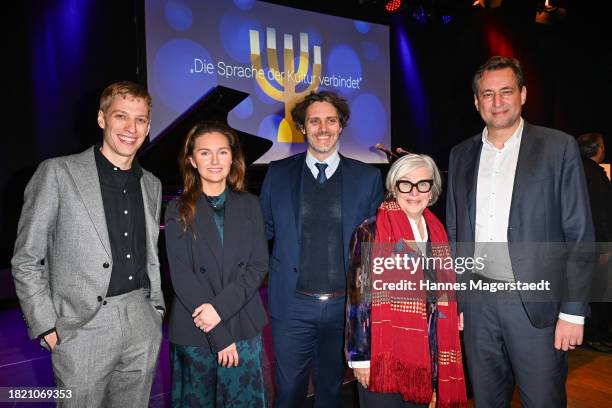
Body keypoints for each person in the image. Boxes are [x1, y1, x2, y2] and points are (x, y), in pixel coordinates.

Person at [446, 56, 594, 407]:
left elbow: (578, 232)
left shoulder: (558, 147)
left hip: (536, 304)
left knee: (543, 400)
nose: (497, 102)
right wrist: (459, 299)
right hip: (478, 304)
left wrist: (573, 311)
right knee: (486, 400)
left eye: (506, 91)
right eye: (488, 94)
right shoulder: (460, 154)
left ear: (523, 94)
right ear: (476, 101)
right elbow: (456, 233)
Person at [11, 81, 164, 407]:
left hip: (141, 320)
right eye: (121, 116)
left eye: (140, 120)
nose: (130, 128)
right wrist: (45, 326)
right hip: (82, 327)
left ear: (148, 126)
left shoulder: (151, 184)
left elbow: (151, 255)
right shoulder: (57, 173)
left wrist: (156, 311)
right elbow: (26, 258)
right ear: (101, 118)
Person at [260, 91, 384, 407]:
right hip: (292, 307)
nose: (323, 128)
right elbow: (262, 234)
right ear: (303, 126)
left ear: (341, 126)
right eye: (314, 120)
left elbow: (375, 248)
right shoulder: (277, 174)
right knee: (288, 393)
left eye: (331, 120)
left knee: (330, 391)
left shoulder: (367, 178)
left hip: (343, 309)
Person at [346, 154, 467, 408]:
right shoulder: (370, 231)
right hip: (382, 356)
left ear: (432, 190)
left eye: (423, 184)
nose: (414, 192)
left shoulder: (438, 232)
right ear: (393, 187)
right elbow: (358, 301)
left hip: (425, 358)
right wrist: (360, 359)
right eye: (405, 184)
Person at [164, 121, 268, 407]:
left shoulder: (250, 204)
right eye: (205, 153)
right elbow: (183, 277)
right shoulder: (176, 209)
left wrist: (219, 311)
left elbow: (258, 266)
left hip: (243, 324)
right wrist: (219, 334)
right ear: (191, 160)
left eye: (222, 152)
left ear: (232, 158)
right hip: (195, 329)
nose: (214, 160)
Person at [577, 132, 612, 352]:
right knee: (599, 291)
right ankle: (596, 336)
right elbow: (602, 214)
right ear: (599, 150)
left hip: (575, 244)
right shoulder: (596, 177)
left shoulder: (573, 171)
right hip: (597, 245)